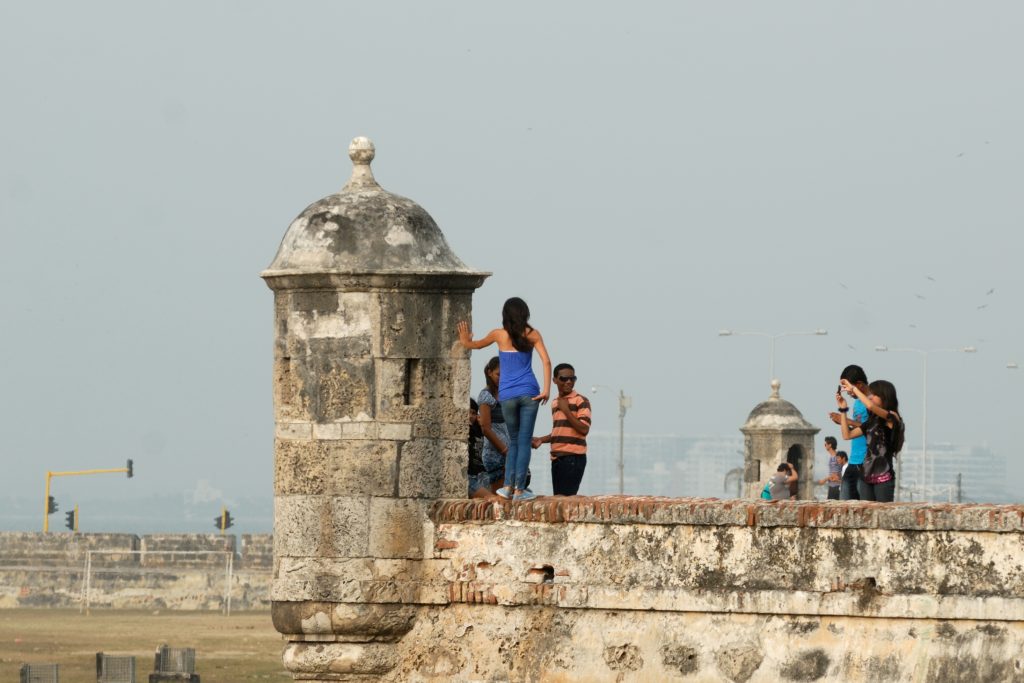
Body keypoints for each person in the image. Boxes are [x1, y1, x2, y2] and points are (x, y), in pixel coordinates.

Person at [458, 297, 551, 501]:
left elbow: (473, 345)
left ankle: (508, 486)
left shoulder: (499, 335)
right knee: (524, 441)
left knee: (515, 440)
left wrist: (465, 338)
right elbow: (546, 361)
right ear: (525, 314)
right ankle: (519, 489)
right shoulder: (532, 334)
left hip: (508, 395)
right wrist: (546, 390)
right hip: (530, 392)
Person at [837, 379, 905, 502]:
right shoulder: (871, 422)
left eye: (874, 395)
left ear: (884, 396)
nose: (871, 397)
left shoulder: (893, 418)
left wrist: (853, 389)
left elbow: (870, 406)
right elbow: (847, 435)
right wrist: (843, 410)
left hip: (884, 478)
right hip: (865, 478)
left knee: (882, 516)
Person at [532, 363, 591, 496]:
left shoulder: (581, 401)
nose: (569, 382)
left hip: (573, 458)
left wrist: (566, 410)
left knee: (565, 501)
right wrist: (541, 440)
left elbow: (584, 429)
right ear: (555, 380)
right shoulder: (555, 402)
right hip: (557, 459)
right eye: (564, 379)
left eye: (572, 378)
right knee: (558, 499)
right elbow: (559, 431)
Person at [828, 365, 870, 500]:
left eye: (847, 387)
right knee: (844, 506)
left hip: (866, 462)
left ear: (858, 385)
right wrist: (842, 419)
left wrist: (848, 421)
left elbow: (872, 428)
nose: (847, 391)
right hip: (853, 461)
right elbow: (854, 432)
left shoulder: (871, 402)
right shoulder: (857, 403)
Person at [477, 356, 510, 493]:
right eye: (498, 374)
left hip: (507, 450)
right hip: (495, 453)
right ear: (490, 372)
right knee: (498, 495)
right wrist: (504, 450)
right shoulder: (486, 396)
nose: (501, 378)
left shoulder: (506, 394)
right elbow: (486, 428)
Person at [467, 399, 499, 500]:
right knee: (492, 499)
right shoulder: (461, 434)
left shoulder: (481, 431)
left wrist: (483, 426)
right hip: (470, 478)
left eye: (473, 413)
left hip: (483, 475)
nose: (470, 416)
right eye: (468, 412)